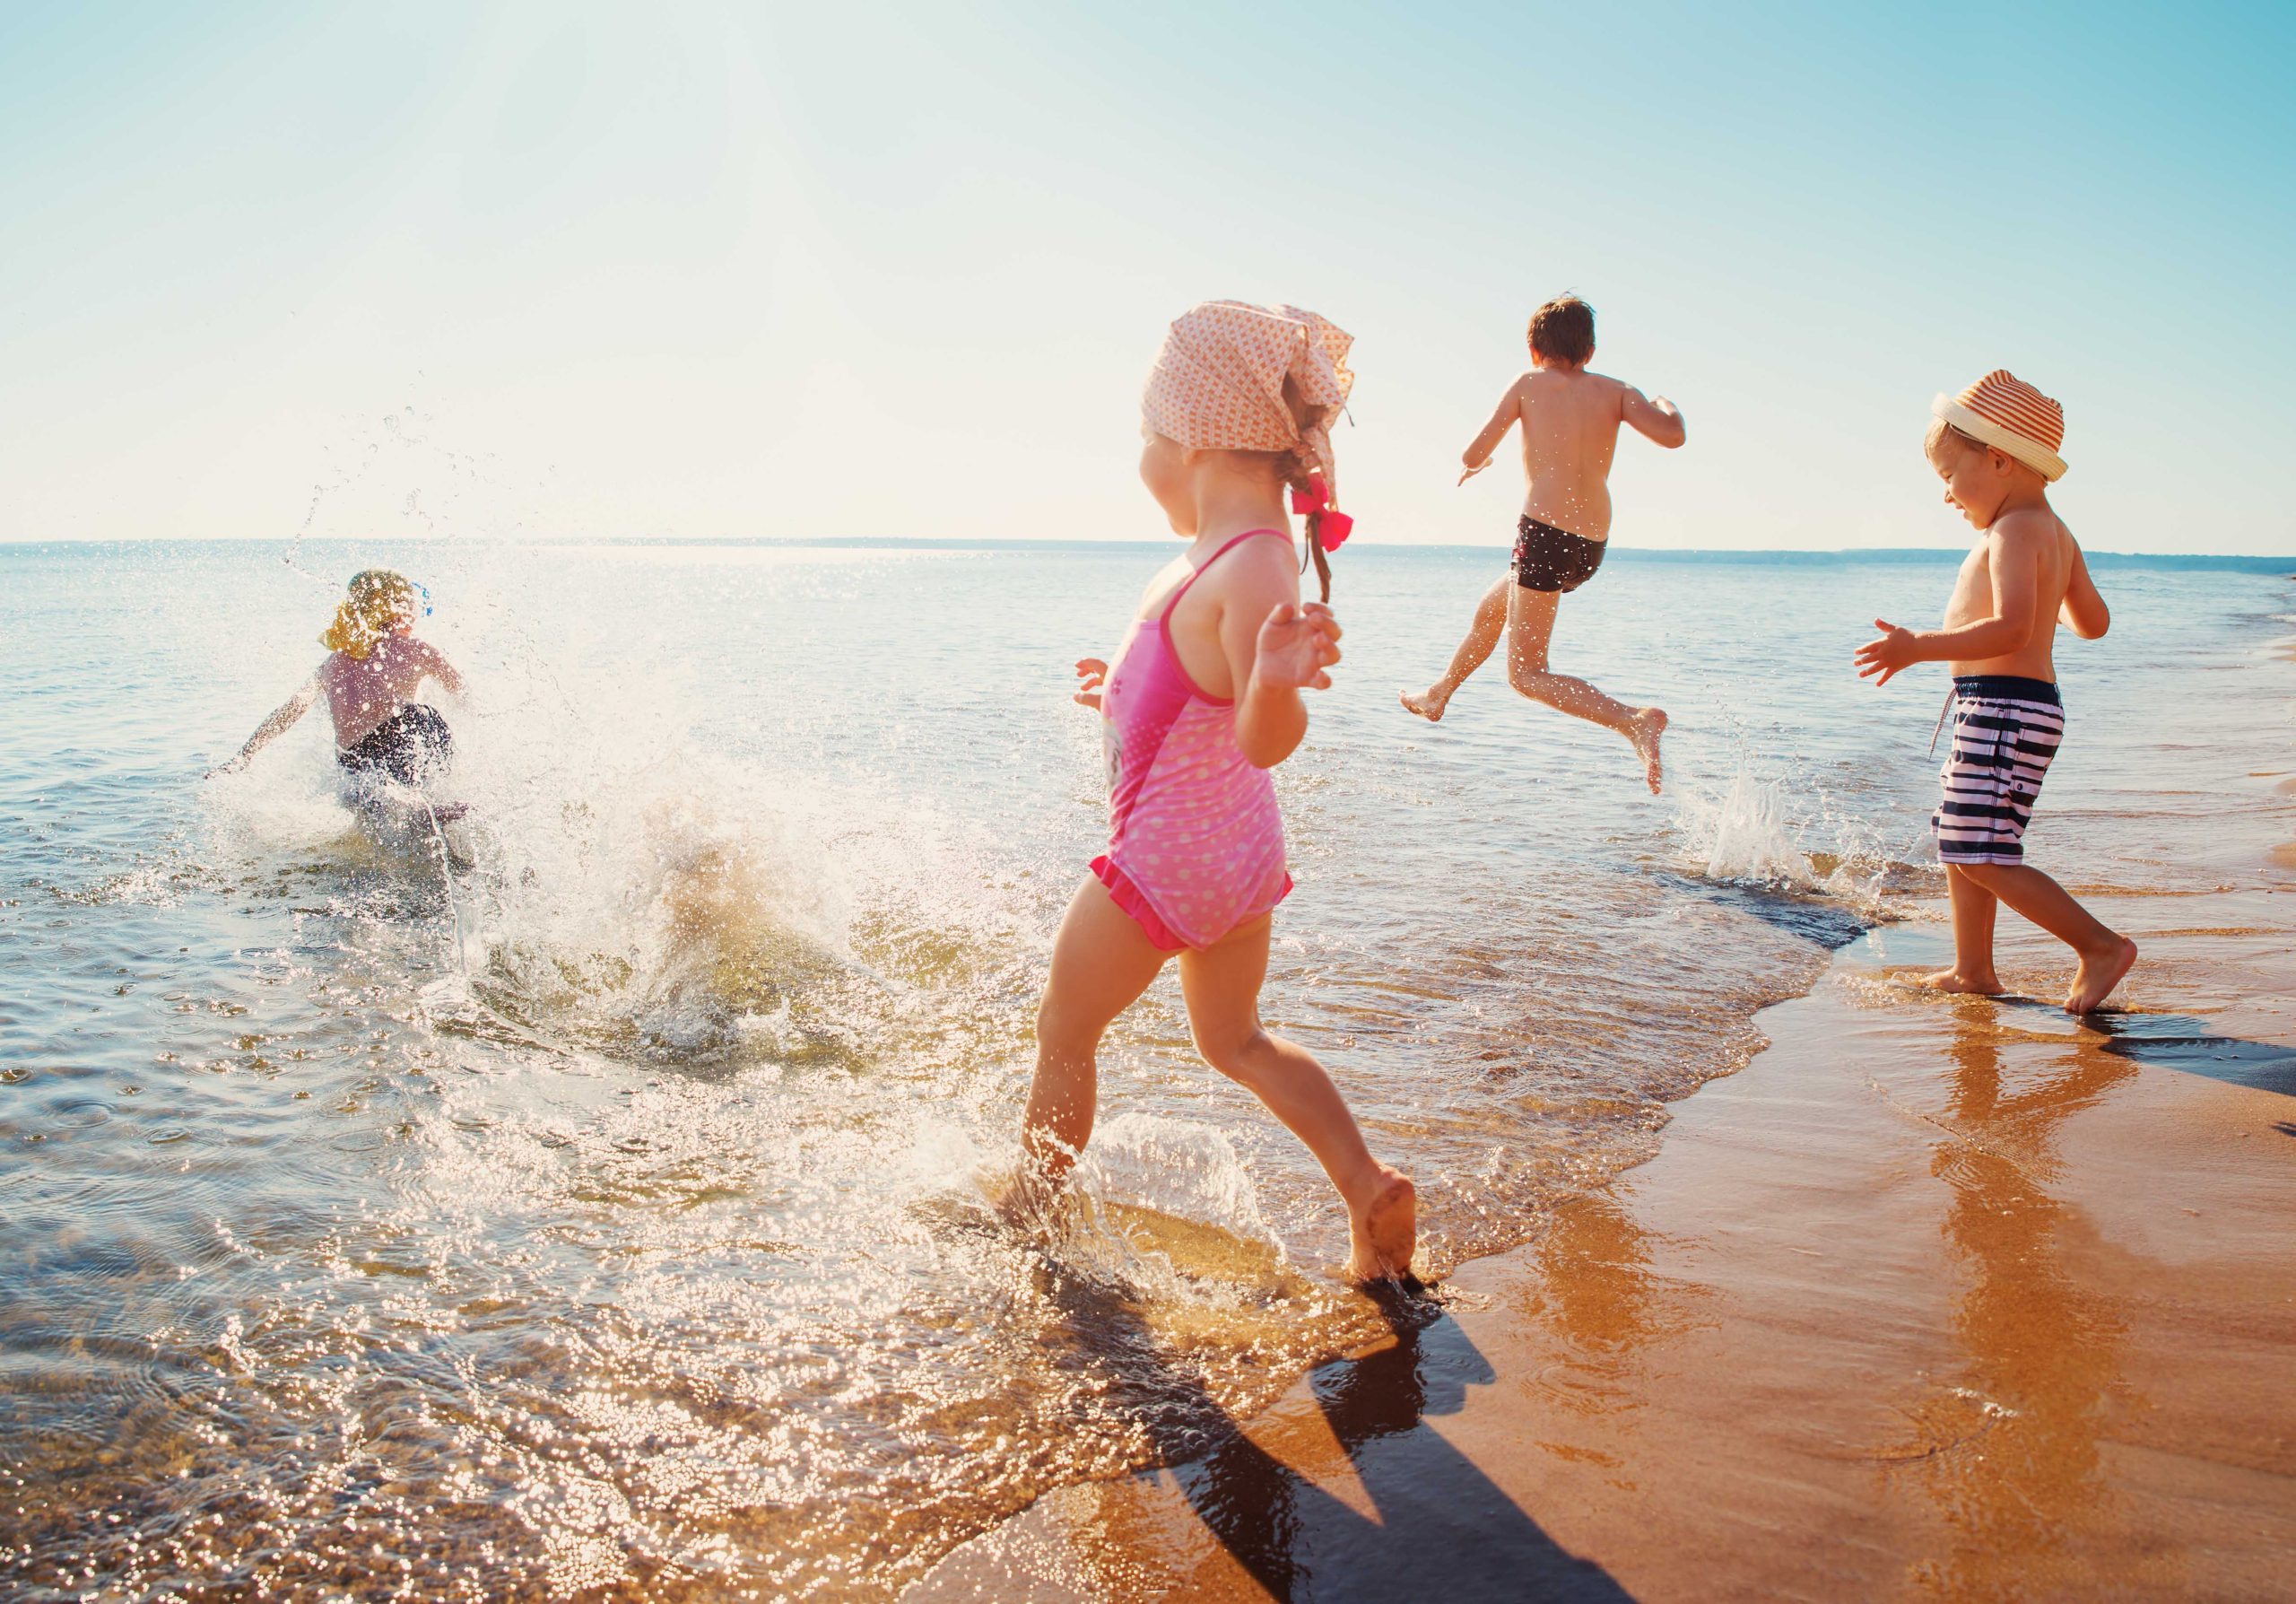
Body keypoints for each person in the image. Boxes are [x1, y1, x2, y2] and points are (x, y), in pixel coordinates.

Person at [1007, 300, 1416, 1286]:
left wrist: (1275, 681)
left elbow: (1260, 736)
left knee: (1064, 1030)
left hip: (1168, 859)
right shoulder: (1230, 555)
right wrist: (1115, 692)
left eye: (1144, 437)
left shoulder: (1256, 562)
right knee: (1235, 1041)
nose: (1140, 459)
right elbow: (1197, 692)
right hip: (1236, 861)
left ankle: (1029, 1219)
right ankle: (1366, 1187)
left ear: (1189, 440)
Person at [1854, 370, 2136, 1015]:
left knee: (1980, 848)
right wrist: (2049, 603)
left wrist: (1917, 646)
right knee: (1963, 838)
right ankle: (1973, 969)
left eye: (1950, 476)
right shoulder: (2054, 532)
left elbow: (2009, 625)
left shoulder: (2012, 531)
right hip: (2006, 706)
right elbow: (2094, 623)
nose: (1947, 496)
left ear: (2001, 460)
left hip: (2007, 708)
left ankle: (2098, 947)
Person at [1400, 294, 1683, 793]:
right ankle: (1439, 693)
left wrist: (1478, 464)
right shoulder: (1618, 391)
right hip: (1590, 546)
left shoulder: (1528, 383)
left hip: (1545, 534)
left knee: (1526, 675)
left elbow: (1473, 451)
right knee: (1492, 609)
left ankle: (1633, 721)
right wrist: (1664, 401)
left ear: (1533, 349)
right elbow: (1672, 435)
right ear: (1590, 351)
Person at [209, 569, 465, 813]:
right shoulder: (417, 650)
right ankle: (431, 802)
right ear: (402, 610)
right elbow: (462, 694)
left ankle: (405, 808)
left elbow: (291, 710)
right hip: (398, 740)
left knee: (377, 804)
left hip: (352, 763)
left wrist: (245, 755)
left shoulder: (333, 663)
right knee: (426, 716)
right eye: (413, 606)